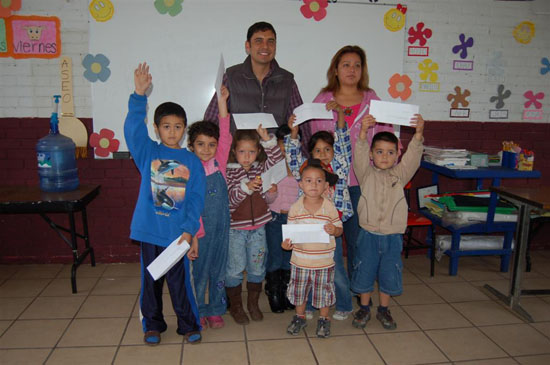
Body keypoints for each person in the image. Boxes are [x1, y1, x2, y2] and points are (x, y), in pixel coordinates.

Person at [124, 63, 205, 345]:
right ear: (157, 128)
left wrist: (189, 230)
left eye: (178, 127)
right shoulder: (148, 152)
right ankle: (153, 325)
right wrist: (138, 95)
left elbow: (196, 199)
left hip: (176, 235)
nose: (172, 131)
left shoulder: (192, 161)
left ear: (184, 129)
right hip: (149, 232)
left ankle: (188, 324)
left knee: (180, 284)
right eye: (166, 126)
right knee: (151, 284)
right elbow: (133, 130)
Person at [302, 45, 398, 279]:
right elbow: (313, 141)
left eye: (357, 65)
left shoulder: (372, 99)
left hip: (362, 183)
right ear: (335, 69)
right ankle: (329, 287)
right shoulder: (323, 100)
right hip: (329, 185)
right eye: (346, 64)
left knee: (358, 240)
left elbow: (387, 137)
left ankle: (359, 287)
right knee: (325, 240)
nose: (352, 70)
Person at [351, 113, 425, 330]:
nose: (384, 156)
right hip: (368, 235)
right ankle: (364, 308)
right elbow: (360, 155)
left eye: (390, 152)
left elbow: (412, 157)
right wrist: (363, 134)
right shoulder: (365, 174)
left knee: (389, 272)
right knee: (364, 270)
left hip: (392, 236)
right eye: (380, 152)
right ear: (372, 154)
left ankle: (384, 310)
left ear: (396, 156)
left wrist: (418, 133)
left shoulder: (400, 175)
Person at [284, 108, 353, 320]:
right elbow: (293, 158)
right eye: (317, 151)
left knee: (335, 270)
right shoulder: (305, 170)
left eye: (327, 149)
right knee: (309, 268)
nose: (323, 154)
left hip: (330, 227)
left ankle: (344, 304)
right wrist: (293, 134)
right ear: (310, 154)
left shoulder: (339, 167)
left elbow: (344, 144)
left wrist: (340, 118)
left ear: (334, 152)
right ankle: (312, 306)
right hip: (307, 227)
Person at [224, 123, 283, 324]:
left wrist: (268, 141)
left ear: (258, 152)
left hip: (258, 229)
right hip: (236, 231)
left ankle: (253, 304)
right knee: (235, 268)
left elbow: (277, 161)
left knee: (257, 268)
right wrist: (246, 187)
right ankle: (236, 306)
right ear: (234, 151)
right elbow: (231, 199)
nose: (247, 156)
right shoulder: (228, 172)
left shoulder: (261, 168)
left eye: (251, 151)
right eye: (242, 151)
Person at [187, 85, 232, 330]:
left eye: (211, 144)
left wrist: (223, 102)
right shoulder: (189, 170)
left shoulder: (220, 163)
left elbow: (225, 132)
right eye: (200, 144)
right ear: (192, 146)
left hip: (222, 229)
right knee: (199, 272)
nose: (206, 149)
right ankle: (198, 310)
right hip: (199, 232)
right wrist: (194, 232)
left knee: (219, 270)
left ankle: (215, 309)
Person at [203, 21, 303, 133]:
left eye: (270, 41)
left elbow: (300, 125)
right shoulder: (231, 77)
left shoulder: (287, 81)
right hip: (237, 150)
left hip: (276, 150)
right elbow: (210, 123)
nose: (265, 46)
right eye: (258, 41)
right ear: (247, 46)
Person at [282, 159, 343, 338]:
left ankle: (324, 319)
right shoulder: (295, 208)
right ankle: (299, 316)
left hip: (324, 263)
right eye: (308, 180)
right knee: (299, 292)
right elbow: (289, 236)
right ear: (301, 184)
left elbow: (339, 230)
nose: (314, 184)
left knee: (324, 293)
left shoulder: (329, 207)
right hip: (300, 262)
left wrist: (335, 230)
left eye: (319, 181)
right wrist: (286, 244)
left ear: (325, 185)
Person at [264, 124, 299, 313]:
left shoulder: (301, 170)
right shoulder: (271, 170)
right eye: (281, 150)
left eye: (289, 150)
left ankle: (287, 290)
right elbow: (267, 199)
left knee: (289, 257)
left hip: (293, 221)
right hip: (274, 219)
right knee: (275, 256)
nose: (286, 155)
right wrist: (271, 193)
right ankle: (274, 290)